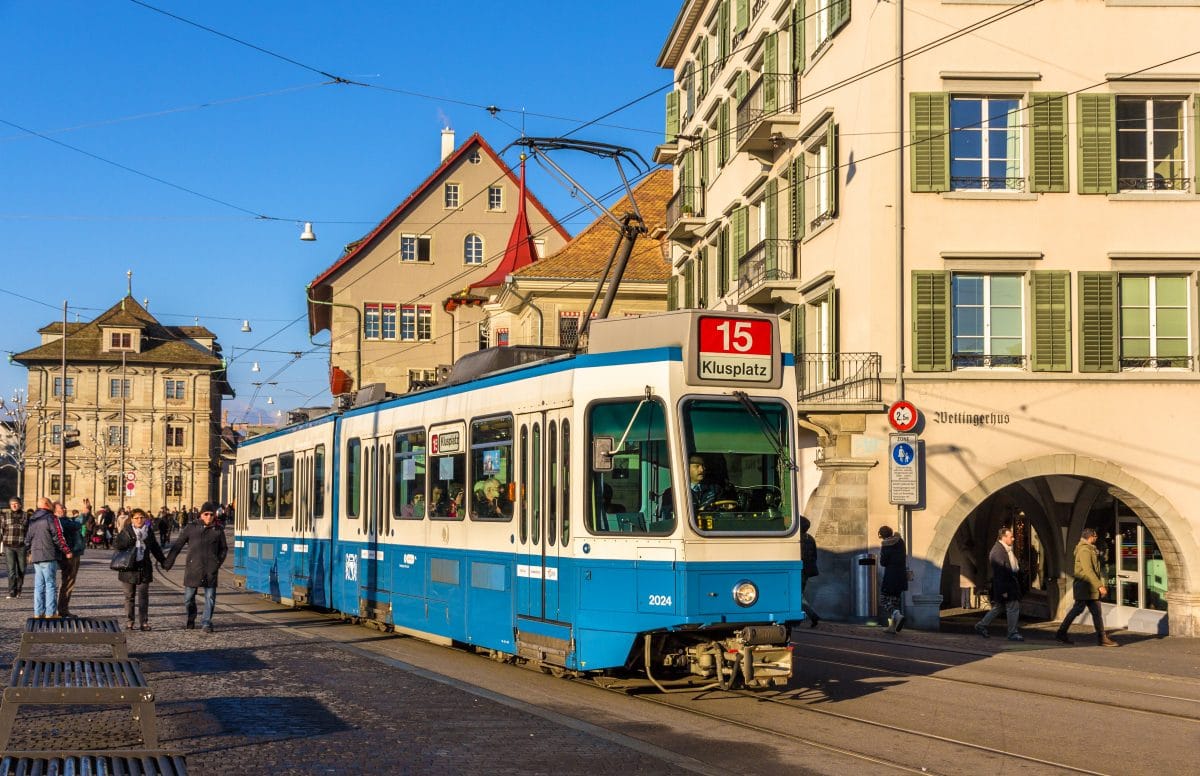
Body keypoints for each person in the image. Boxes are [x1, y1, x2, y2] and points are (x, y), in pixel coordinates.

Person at [164, 501, 228, 633]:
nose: (209, 517)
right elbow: (178, 545)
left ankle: (206, 622)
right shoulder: (191, 528)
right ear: (201, 515)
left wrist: (217, 563)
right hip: (193, 568)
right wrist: (168, 562)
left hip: (210, 569)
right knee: (188, 598)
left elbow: (224, 549)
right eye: (206, 514)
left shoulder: (218, 530)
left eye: (211, 514)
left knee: (209, 598)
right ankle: (191, 617)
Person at [1056, 528, 1119, 647]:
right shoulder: (1085, 550)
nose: (1096, 538)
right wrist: (1100, 586)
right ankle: (1061, 633)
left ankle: (1102, 637)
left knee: (1095, 612)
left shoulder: (1090, 549)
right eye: (1095, 536)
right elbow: (1088, 570)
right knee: (1078, 609)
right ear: (1090, 536)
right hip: (1085, 587)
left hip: (1089, 587)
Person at [113, 507, 168, 630]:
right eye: (136, 518)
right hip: (128, 568)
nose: (139, 520)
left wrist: (163, 561)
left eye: (141, 517)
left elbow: (155, 548)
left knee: (143, 596)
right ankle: (130, 621)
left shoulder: (148, 531)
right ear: (131, 519)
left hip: (144, 568)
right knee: (129, 596)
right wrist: (131, 541)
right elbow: (116, 545)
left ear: (145, 519)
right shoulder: (126, 531)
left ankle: (144, 622)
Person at [24, 496, 72, 618]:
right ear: (46, 504)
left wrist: (29, 551)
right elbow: (58, 536)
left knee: (39, 585)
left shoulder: (33, 519)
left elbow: (28, 539)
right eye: (50, 503)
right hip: (48, 554)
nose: (52, 505)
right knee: (50, 584)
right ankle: (50, 613)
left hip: (36, 555)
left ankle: (38, 612)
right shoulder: (51, 518)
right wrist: (66, 550)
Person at [974, 526, 1024, 641]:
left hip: (1008, 585)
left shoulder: (1006, 549)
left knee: (999, 607)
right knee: (1013, 608)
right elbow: (1000, 573)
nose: (1013, 539)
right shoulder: (998, 552)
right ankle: (1012, 633)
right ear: (1003, 537)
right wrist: (1004, 591)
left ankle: (981, 625)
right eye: (1011, 537)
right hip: (1006, 587)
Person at [56, 501, 87, 617]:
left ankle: (63, 608)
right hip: (69, 554)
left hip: (74, 552)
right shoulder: (60, 521)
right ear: (55, 510)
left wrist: (85, 512)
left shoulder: (66, 519)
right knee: (68, 581)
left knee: (69, 581)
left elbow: (77, 522)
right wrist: (84, 513)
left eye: (64, 507)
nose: (64, 509)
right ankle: (62, 609)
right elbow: (77, 525)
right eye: (61, 508)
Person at [878, 525, 907, 633]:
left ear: (882, 535)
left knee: (884, 599)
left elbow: (883, 562)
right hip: (901, 574)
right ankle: (892, 627)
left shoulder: (886, 545)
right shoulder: (900, 541)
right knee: (895, 600)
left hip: (891, 575)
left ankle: (897, 615)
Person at [1, 497, 29, 598]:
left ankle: (19, 589)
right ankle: (12, 591)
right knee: (11, 570)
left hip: (22, 546)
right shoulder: (5, 516)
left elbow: (29, 532)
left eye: (16, 503)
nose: (14, 505)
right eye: (12, 504)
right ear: (10, 505)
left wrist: (29, 547)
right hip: (9, 546)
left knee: (21, 569)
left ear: (20, 504)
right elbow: (2, 530)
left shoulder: (26, 515)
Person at [800, 515, 821, 628]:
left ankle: (813, 615)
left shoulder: (797, 540)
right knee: (799, 594)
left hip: (799, 570)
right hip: (807, 571)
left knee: (798, 596)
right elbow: (815, 556)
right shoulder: (810, 538)